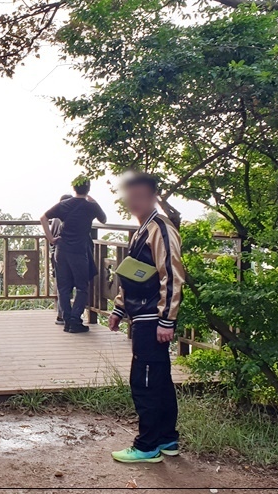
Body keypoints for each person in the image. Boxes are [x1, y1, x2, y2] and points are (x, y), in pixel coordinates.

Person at [108, 173, 185, 464]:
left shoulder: (160, 229)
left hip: (153, 316)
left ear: (153, 197)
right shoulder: (143, 229)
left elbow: (173, 275)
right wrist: (119, 308)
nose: (133, 201)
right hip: (141, 314)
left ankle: (147, 445)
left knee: (146, 380)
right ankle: (167, 438)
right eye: (130, 196)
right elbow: (132, 274)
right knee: (160, 379)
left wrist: (166, 319)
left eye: (140, 196)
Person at [41, 177, 106, 333]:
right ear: (88, 189)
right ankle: (75, 320)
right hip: (79, 250)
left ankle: (67, 320)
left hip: (61, 250)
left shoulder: (64, 204)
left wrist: (51, 238)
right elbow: (103, 220)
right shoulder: (91, 207)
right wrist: (94, 201)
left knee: (63, 288)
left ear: (74, 188)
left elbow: (43, 218)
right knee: (82, 287)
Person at [50, 194, 73, 325]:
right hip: (68, 254)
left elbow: (51, 239)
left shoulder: (55, 219)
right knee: (67, 286)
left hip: (57, 254)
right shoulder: (69, 218)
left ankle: (62, 315)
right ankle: (66, 315)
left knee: (62, 285)